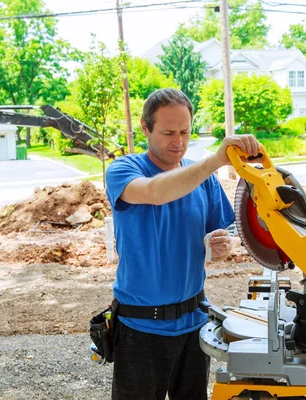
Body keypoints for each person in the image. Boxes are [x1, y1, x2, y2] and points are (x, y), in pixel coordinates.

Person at [105, 88, 261, 400]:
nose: (178, 142)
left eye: (185, 132)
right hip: (140, 329)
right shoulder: (123, 170)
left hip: (193, 323)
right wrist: (215, 160)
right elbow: (154, 193)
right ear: (145, 128)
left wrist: (221, 247)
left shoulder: (205, 180)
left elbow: (219, 239)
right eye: (167, 132)